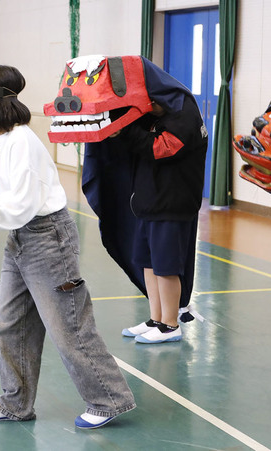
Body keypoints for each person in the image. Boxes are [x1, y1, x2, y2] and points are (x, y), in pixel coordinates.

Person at [0, 65, 135, 429]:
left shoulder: (22, 143)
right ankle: (15, 403)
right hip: (20, 239)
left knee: (67, 326)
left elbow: (19, 205)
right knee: (10, 321)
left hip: (48, 239)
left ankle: (109, 399)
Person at [107, 80, 207, 344]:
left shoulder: (184, 117)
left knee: (166, 267)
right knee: (148, 263)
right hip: (149, 203)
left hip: (171, 205)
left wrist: (125, 130)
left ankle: (170, 325)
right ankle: (156, 318)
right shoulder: (154, 117)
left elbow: (159, 148)